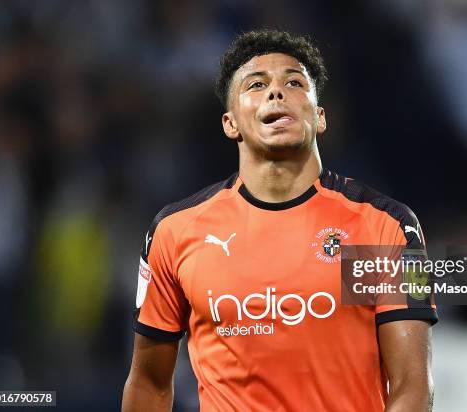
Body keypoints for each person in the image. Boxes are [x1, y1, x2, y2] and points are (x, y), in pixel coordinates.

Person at [122, 29, 438, 412]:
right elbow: (149, 384)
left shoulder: (386, 226)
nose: (276, 92)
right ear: (230, 123)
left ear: (320, 117)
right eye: (256, 84)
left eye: (294, 82)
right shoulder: (173, 233)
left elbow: (413, 385)